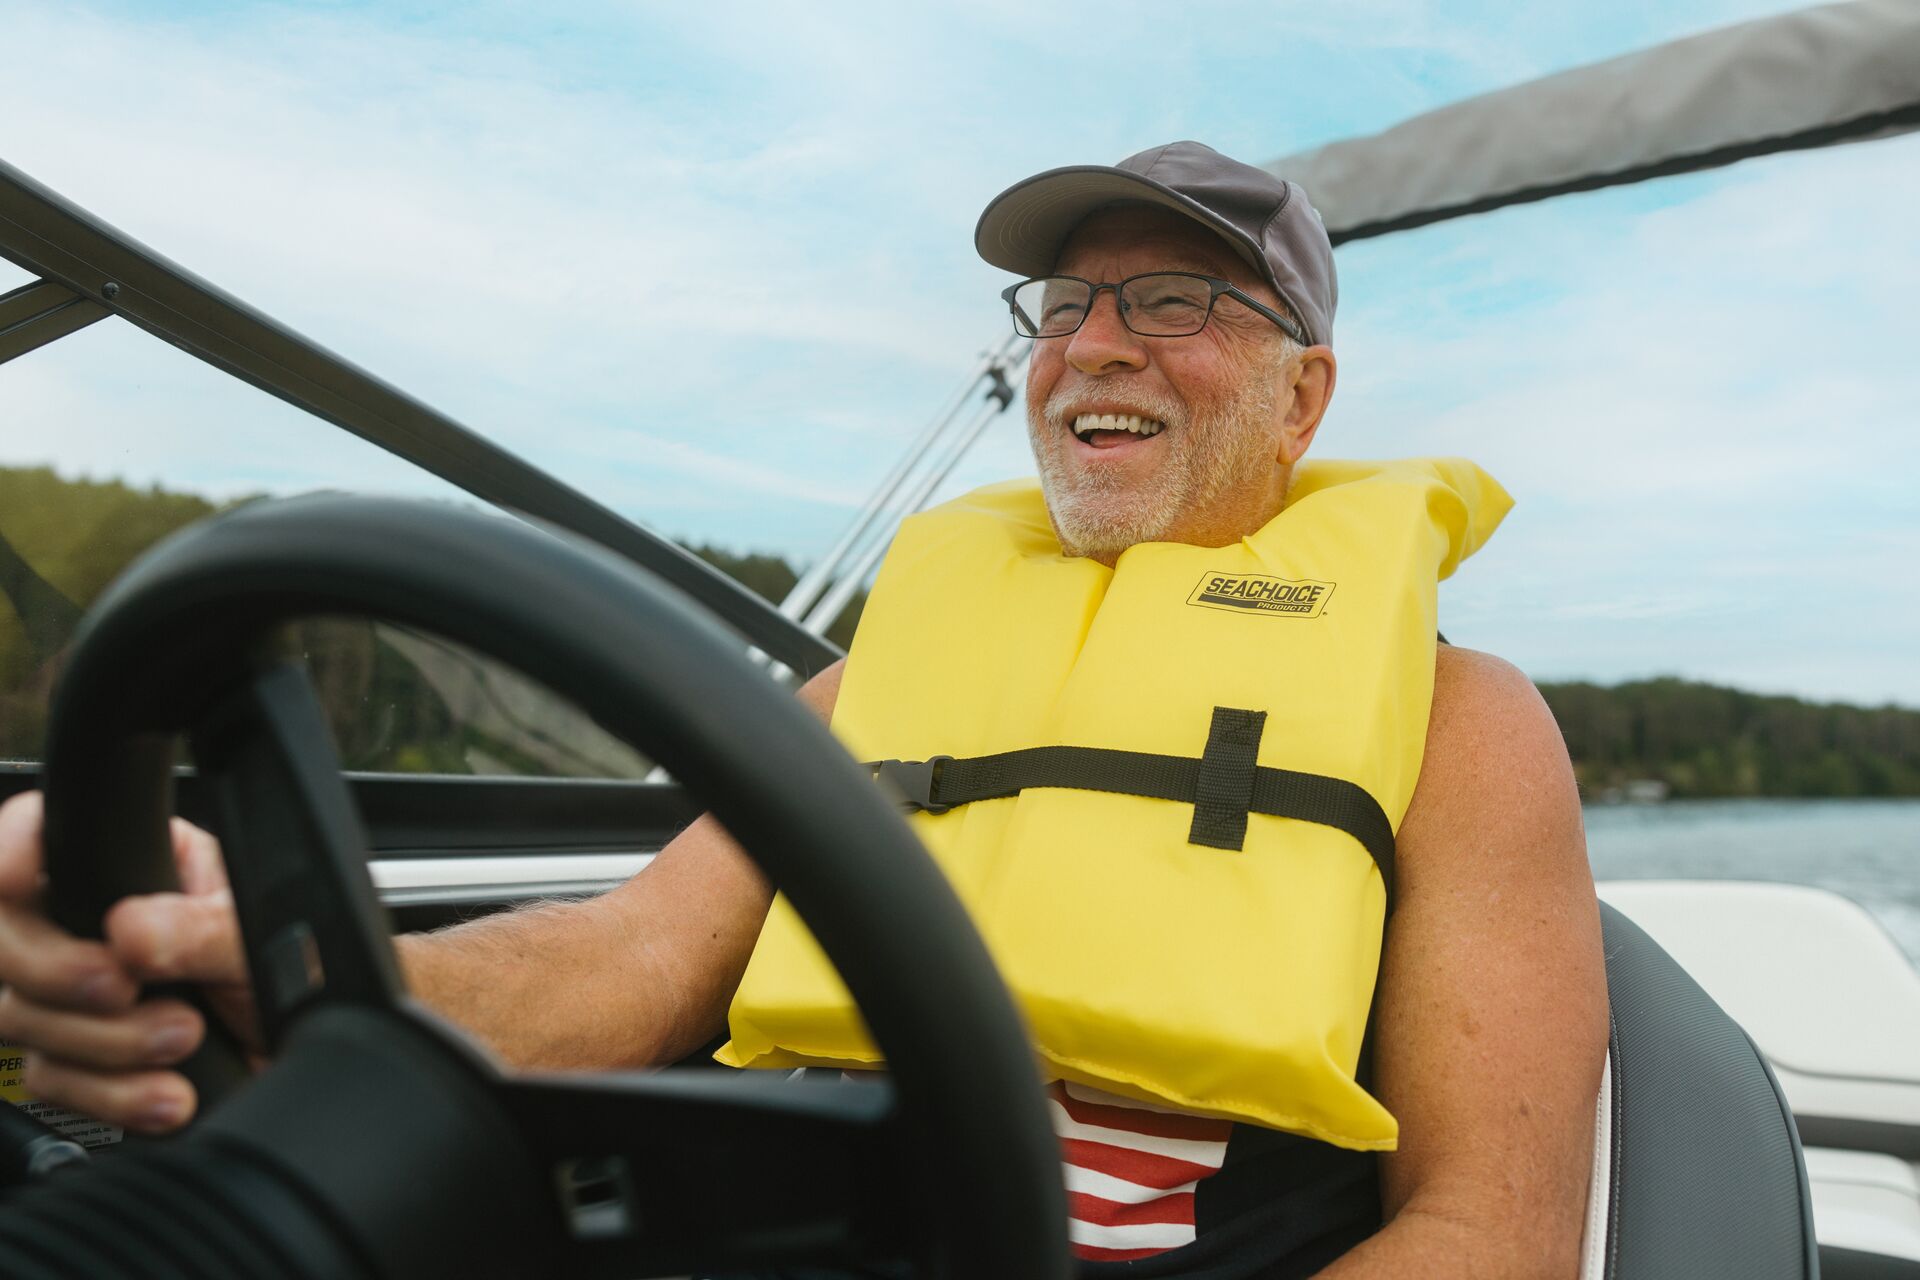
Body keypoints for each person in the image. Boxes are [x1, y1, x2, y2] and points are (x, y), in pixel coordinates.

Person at [0, 142, 1607, 1278]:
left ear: (1304, 394)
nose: (1090, 347)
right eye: (1061, 308)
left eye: (1174, 301)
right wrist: (264, 969)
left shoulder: (1461, 724)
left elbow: (1493, 1237)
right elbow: (620, 962)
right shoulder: (873, 682)